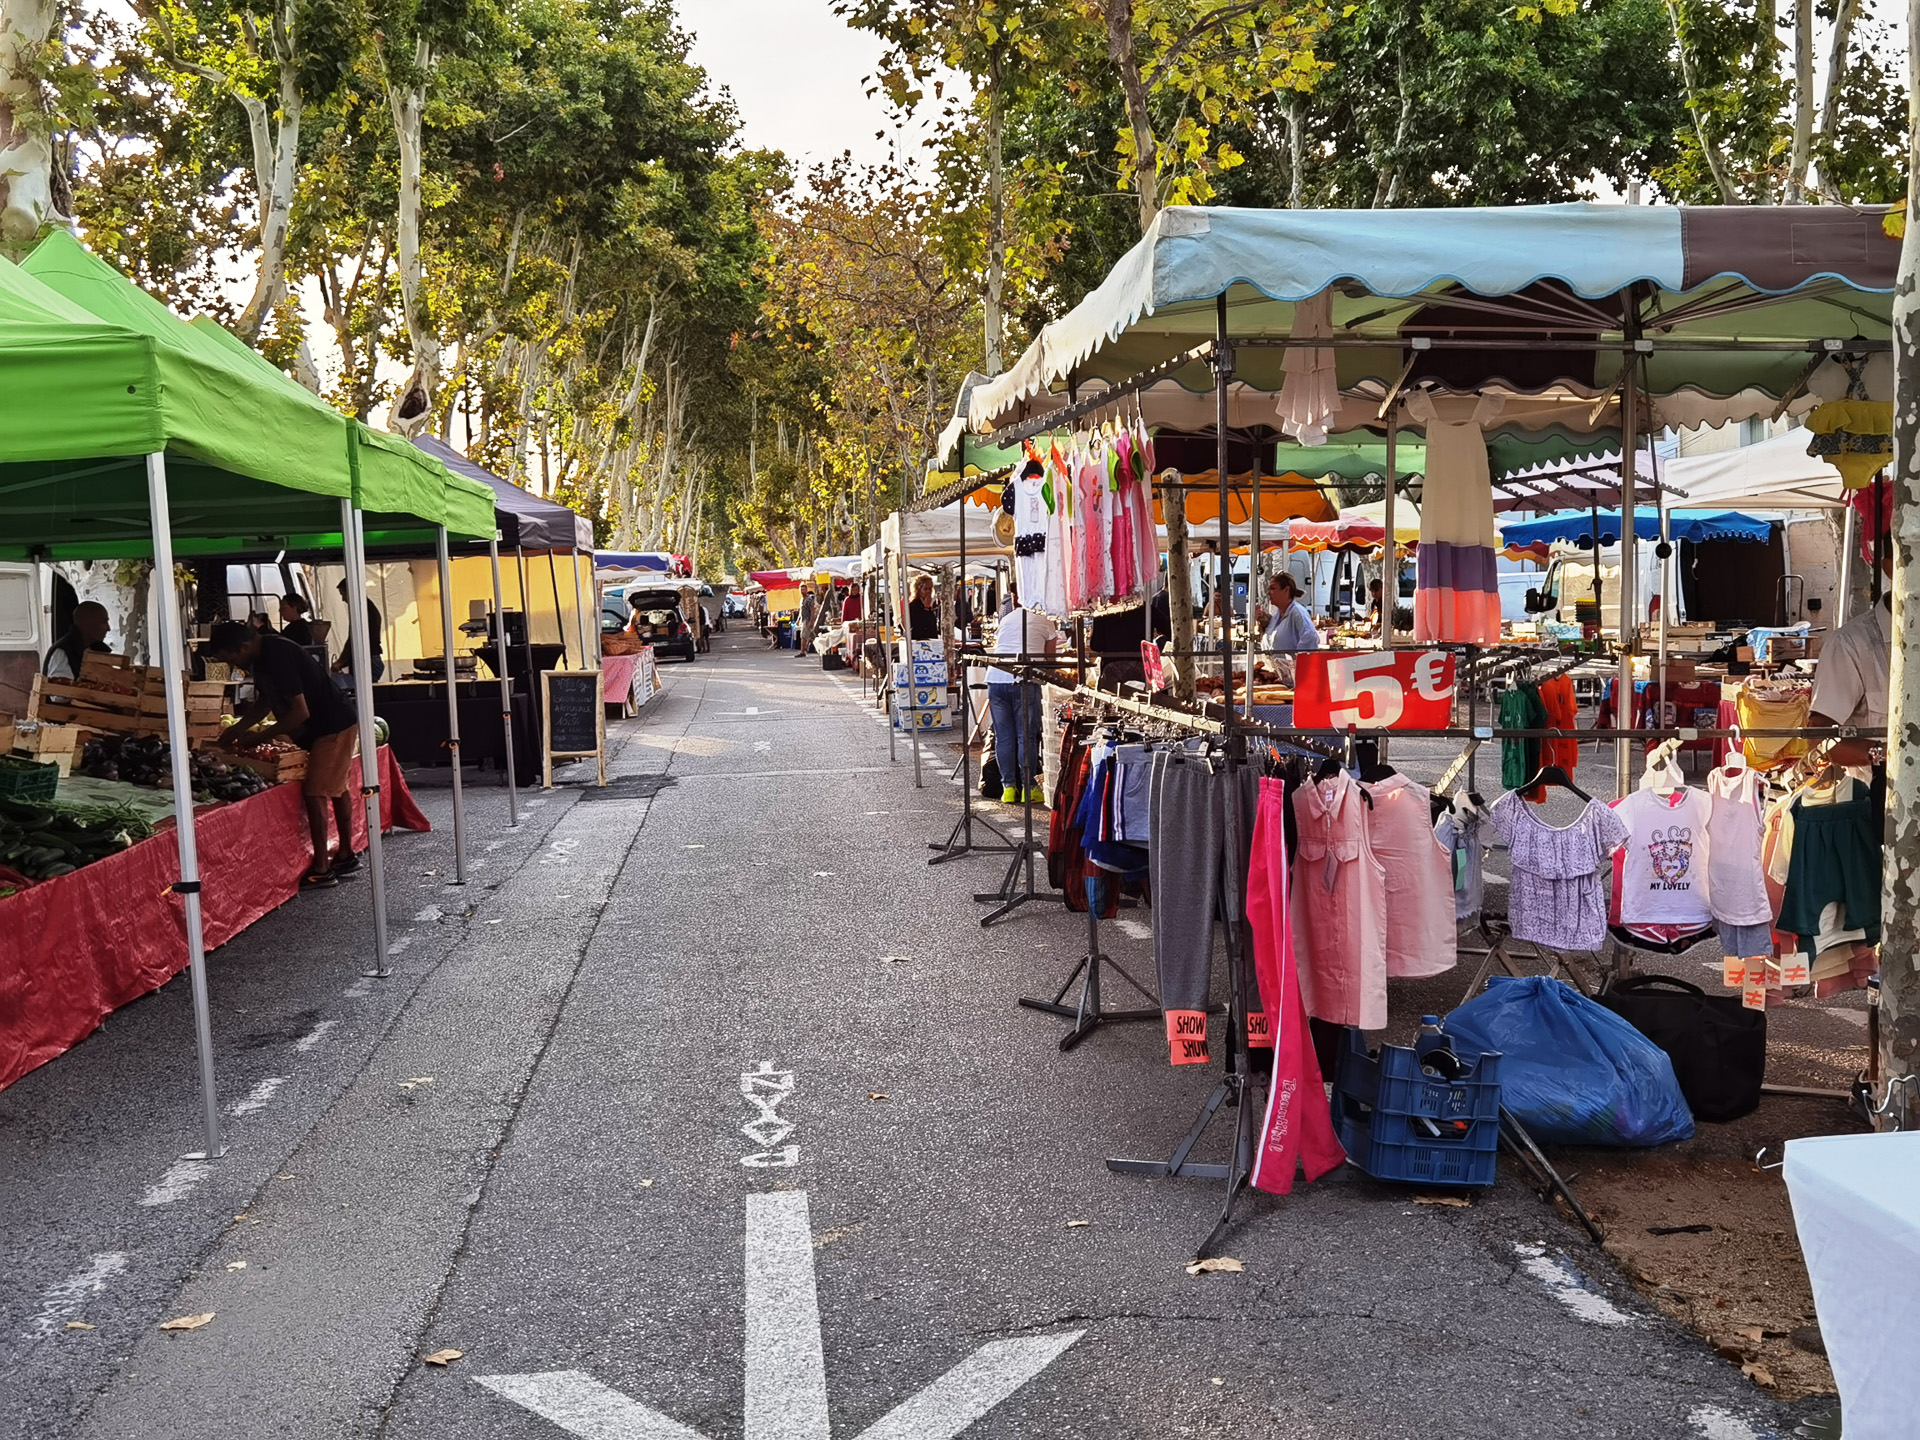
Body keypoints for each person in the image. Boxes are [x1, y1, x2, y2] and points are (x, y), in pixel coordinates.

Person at [207, 620, 363, 889]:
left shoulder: (276, 655)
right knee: (337, 787)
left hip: (332, 725)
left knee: (317, 792)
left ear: (243, 647)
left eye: (230, 658)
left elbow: (300, 712)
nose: (233, 666)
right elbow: (265, 702)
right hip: (324, 726)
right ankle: (346, 855)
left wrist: (258, 737)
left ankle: (323, 868)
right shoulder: (263, 656)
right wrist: (234, 732)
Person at [985, 599, 1057, 804]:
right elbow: (1050, 660)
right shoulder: (1045, 620)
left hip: (997, 677)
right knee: (1026, 736)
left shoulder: (1008, 617)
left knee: (1003, 737)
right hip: (1024, 678)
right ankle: (1029, 787)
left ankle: (1008, 788)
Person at [42, 601, 112, 680]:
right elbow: (60, 689)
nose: (108, 628)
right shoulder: (63, 652)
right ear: (86, 622)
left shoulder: (97, 649)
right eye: (103, 622)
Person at [1256, 573, 1323, 654]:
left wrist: (1297, 660)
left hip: (1291, 666)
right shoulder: (1277, 615)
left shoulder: (1297, 612)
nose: (1269, 593)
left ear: (1287, 590)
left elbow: (1310, 637)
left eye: (1273, 588)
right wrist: (1265, 622)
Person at [332, 581, 385, 683]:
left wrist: (340, 662)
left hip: (369, 661)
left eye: (343, 595)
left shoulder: (363, 610)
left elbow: (354, 640)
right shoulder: (366, 607)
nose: (343, 599)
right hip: (371, 660)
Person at [907, 575, 942, 641]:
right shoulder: (913, 606)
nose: (928, 591)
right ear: (918, 590)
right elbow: (918, 625)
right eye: (925, 589)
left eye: (930, 589)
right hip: (919, 643)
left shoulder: (930, 605)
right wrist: (925, 608)